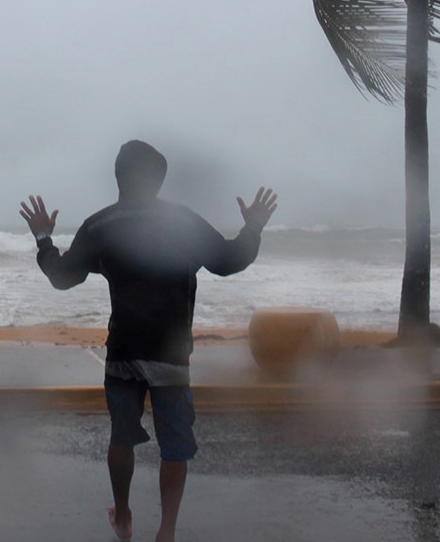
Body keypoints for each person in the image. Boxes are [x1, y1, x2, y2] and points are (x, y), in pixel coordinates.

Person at [19, 139, 278, 542]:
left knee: (122, 436)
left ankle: (122, 516)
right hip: (170, 354)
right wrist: (254, 227)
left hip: (123, 350)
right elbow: (229, 262)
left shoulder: (100, 225)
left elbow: (62, 277)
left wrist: (43, 240)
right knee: (174, 444)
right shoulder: (183, 222)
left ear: (118, 178)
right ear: (159, 180)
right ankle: (167, 531)